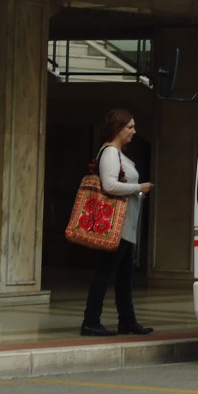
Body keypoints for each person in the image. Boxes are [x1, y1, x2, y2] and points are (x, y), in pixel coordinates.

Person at [80, 108, 154, 337]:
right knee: (104, 273)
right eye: (129, 127)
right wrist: (138, 188)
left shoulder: (118, 153)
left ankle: (127, 321)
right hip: (116, 226)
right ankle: (91, 322)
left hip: (125, 226)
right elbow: (110, 185)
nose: (134, 131)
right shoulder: (111, 152)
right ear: (117, 128)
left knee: (124, 276)